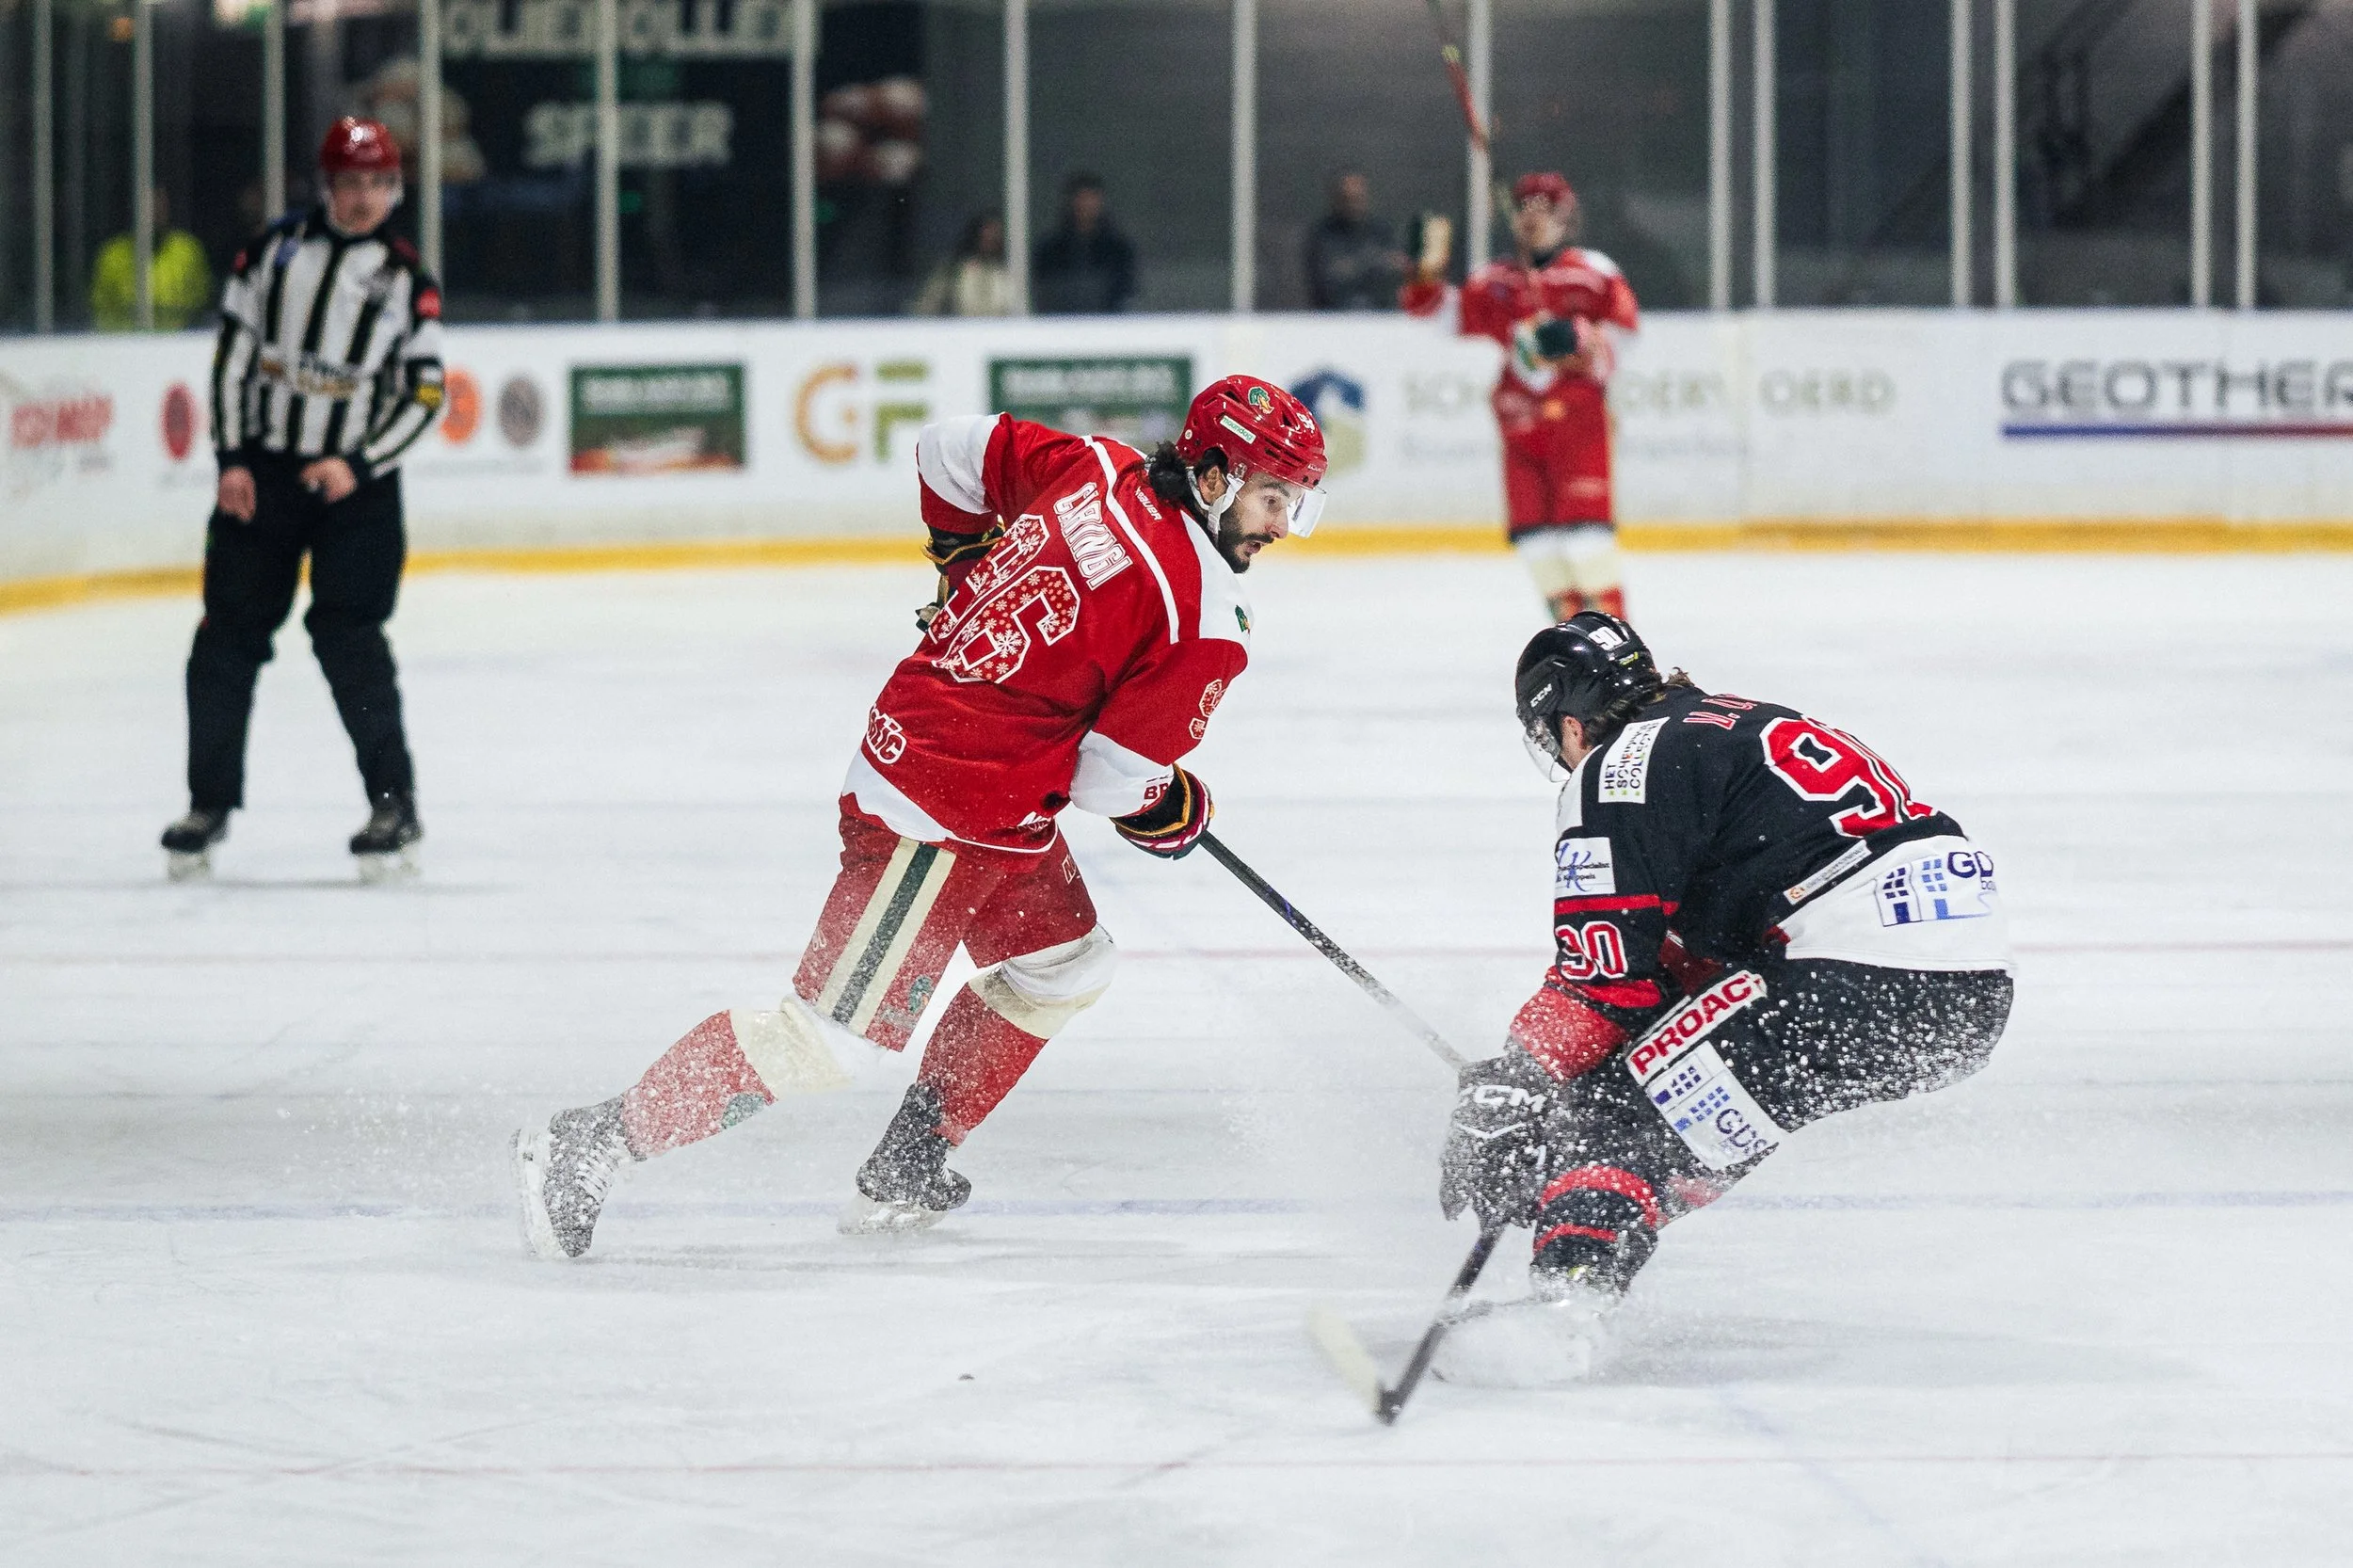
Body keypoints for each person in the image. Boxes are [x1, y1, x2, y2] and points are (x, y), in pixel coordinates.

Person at [513, 376, 1330, 1257]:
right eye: (1273, 495)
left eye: (1296, 502)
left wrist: (960, 568)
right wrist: (1174, 805)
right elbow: (1111, 784)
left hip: (979, 785)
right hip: (942, 810)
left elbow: (950, 448)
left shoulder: (1100, 466)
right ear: (1212, 477)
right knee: (826, 1044)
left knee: (1065, 965)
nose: (1283, 525)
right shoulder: (1202, 615)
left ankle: (909, 1163)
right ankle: (589, 1142)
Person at [1433, 613, 2012, 1381]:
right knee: (1682, 1116)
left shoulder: (1617, 768)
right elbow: (1679, 969)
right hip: (1964, 998)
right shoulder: (1732, 722)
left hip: (1857, 970)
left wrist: (1517, 1085)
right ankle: (1589, 1241)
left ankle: (1565, 1312)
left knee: (1611, 1117)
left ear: (1571, 723)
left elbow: (1602, 981)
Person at [157, 119, 446, 881]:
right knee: (225, 640)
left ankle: (394, 804)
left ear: (397, 189)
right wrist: (232, 459)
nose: (363, 200)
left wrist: (358, 462)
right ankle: (207, 805)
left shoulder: (406, 278)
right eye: (349, 184)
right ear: (326, 187)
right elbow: (231, 360)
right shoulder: (272, 254)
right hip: (264, 480)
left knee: (350, 637)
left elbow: (425, 394)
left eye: (378, 184)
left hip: (358, 490)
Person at [1401, 172, 1640, 621]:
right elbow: (1441, 316)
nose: (1533, 216)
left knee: (1586, 540)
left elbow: (1626, 334)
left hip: (1578, 424)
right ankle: (1576, 642)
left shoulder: (1593, 272)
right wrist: (1424, 275)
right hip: (1518, 427)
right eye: (1524, 206)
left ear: (1566, 217)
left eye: (1546, 207)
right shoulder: (1496, 280)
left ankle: (1620, 645)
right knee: (1536, 543)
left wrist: (1580, 337)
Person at [90, 187, 215, 331]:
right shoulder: (111, 255)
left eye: (159, 203)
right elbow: (101, 312)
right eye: (147, 204)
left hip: (178, 345)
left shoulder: (188, 251)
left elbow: (201, 306)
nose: (154, 210)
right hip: (124, 345)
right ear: (133, 208)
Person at [1032, 172, 1138, 314]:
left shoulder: (1118, 249)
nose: (1085, 204)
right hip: (1059, 326)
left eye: (1091, 198)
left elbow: (1127, 291)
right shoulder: (1050, 249)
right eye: (1081, 198)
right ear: (1071, 202)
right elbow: (1043, 289)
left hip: (1108, 326)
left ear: (1100, 202)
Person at [1304, 170, 1405, 311]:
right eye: (1347, 199)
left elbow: (1397, 267)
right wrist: (1375, 262)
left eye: (1358, 198)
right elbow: (1329, 277)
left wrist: (1359, 266)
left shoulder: (1381, 231)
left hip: (1380, 317)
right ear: (1337, 200)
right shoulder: (1323, 235)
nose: (1353, 205)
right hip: (1334, 318)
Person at [910, 210, 1015, 316]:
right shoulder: (954, 269)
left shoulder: (1011, 270)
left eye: (996, 234)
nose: (991, 238)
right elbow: (928, 305)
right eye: (987, 233)